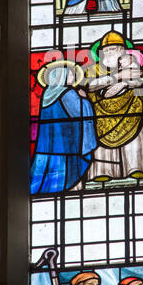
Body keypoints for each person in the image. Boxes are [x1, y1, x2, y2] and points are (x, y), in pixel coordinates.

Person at [84, 31, 143, 181]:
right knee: (101, 142)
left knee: (134, 138)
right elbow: (89, 85)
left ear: (123, 51)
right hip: (101, 112)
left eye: (115, 49)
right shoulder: (93, 69)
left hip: (132, 109)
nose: (110, 52)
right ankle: (102, 171)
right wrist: (117, 77)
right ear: (101, 53)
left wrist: (128, 82)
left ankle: (135, 167)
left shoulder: (138, 67)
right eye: (107, 50)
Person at [30, 60, 97, 194]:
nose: (74, 78)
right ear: (61, 76)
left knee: (44, 172)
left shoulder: (47, 94)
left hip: (46, 147)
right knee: (67, 172)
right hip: (68, 147)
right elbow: (79, 112)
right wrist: (84, 100)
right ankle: (71, 187)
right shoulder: (68, 94)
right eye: (71, 75)